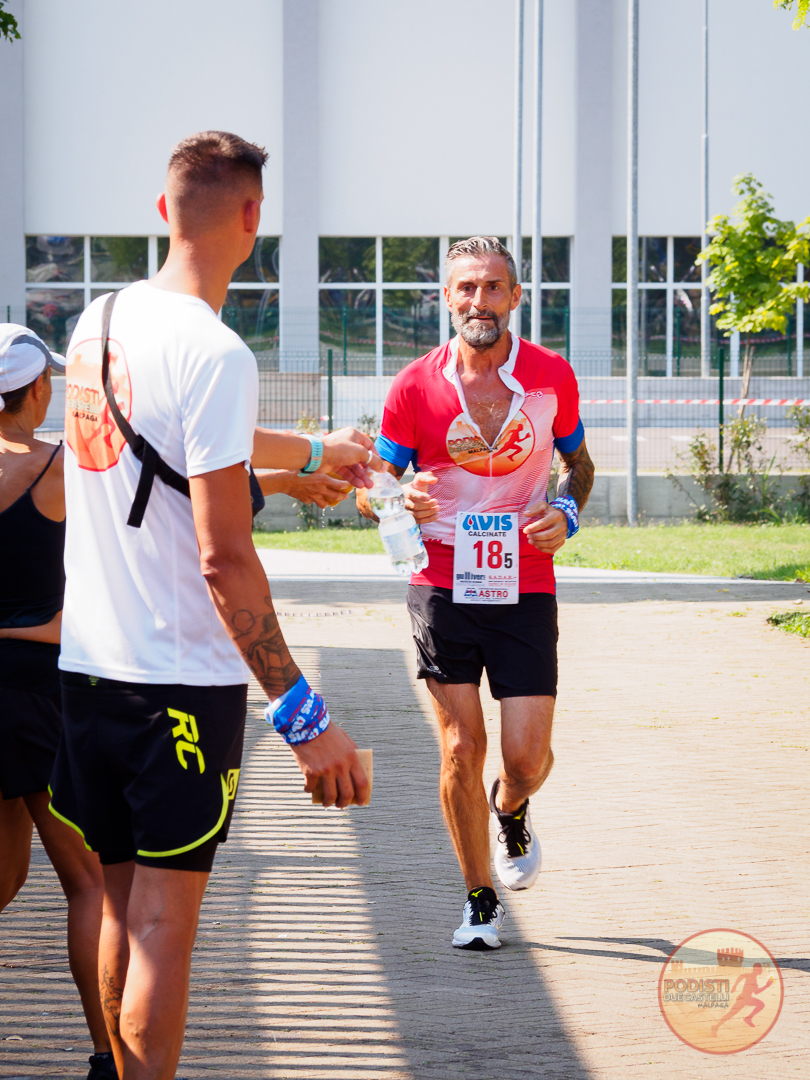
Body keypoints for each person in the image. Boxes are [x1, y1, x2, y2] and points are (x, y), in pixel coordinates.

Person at [49, 130, 380, 1080]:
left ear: (163, 211)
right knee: (162, 926)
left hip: (88, 673)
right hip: (178, 688)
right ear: (252, 218)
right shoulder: (217, 350)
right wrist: (303, 716)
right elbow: (222, 557)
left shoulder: (98, 321)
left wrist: (310, 456)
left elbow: (181, 446)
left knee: (122, 909)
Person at [358, 236, 594, 950]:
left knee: (526, 758)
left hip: (525, 579)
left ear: (515, 297)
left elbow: (578, 464)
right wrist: (399, 501)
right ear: (447, 298)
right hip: (439, 580)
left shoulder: (551, 375)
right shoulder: (415, 386)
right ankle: (479, 899)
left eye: (493, 287)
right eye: (466, 288)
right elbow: (372, 489)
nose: (479, 301)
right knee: (462, 745)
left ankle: (511, 807)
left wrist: (567, 511)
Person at [0, 325, 117, 1079]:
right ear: (40, 389)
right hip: (40, 696)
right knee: (90, 883)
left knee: (4, 879)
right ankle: (110, 1055)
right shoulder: (61, 468)